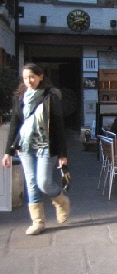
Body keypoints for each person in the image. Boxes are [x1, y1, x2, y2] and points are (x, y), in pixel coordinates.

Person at [2, 63, 70, 235]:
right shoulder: (20, 97)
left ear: (40, 76)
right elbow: (15, 125)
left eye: (32, 76)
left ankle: (61, 200)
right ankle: (38, 222)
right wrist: (8, 152)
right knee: (31, 185)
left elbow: (59, 126)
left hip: (46, 145)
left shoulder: (51, 96)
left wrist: (63, 154)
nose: (29, 81)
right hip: (25, 146)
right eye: (25, 78)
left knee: (44, 182)